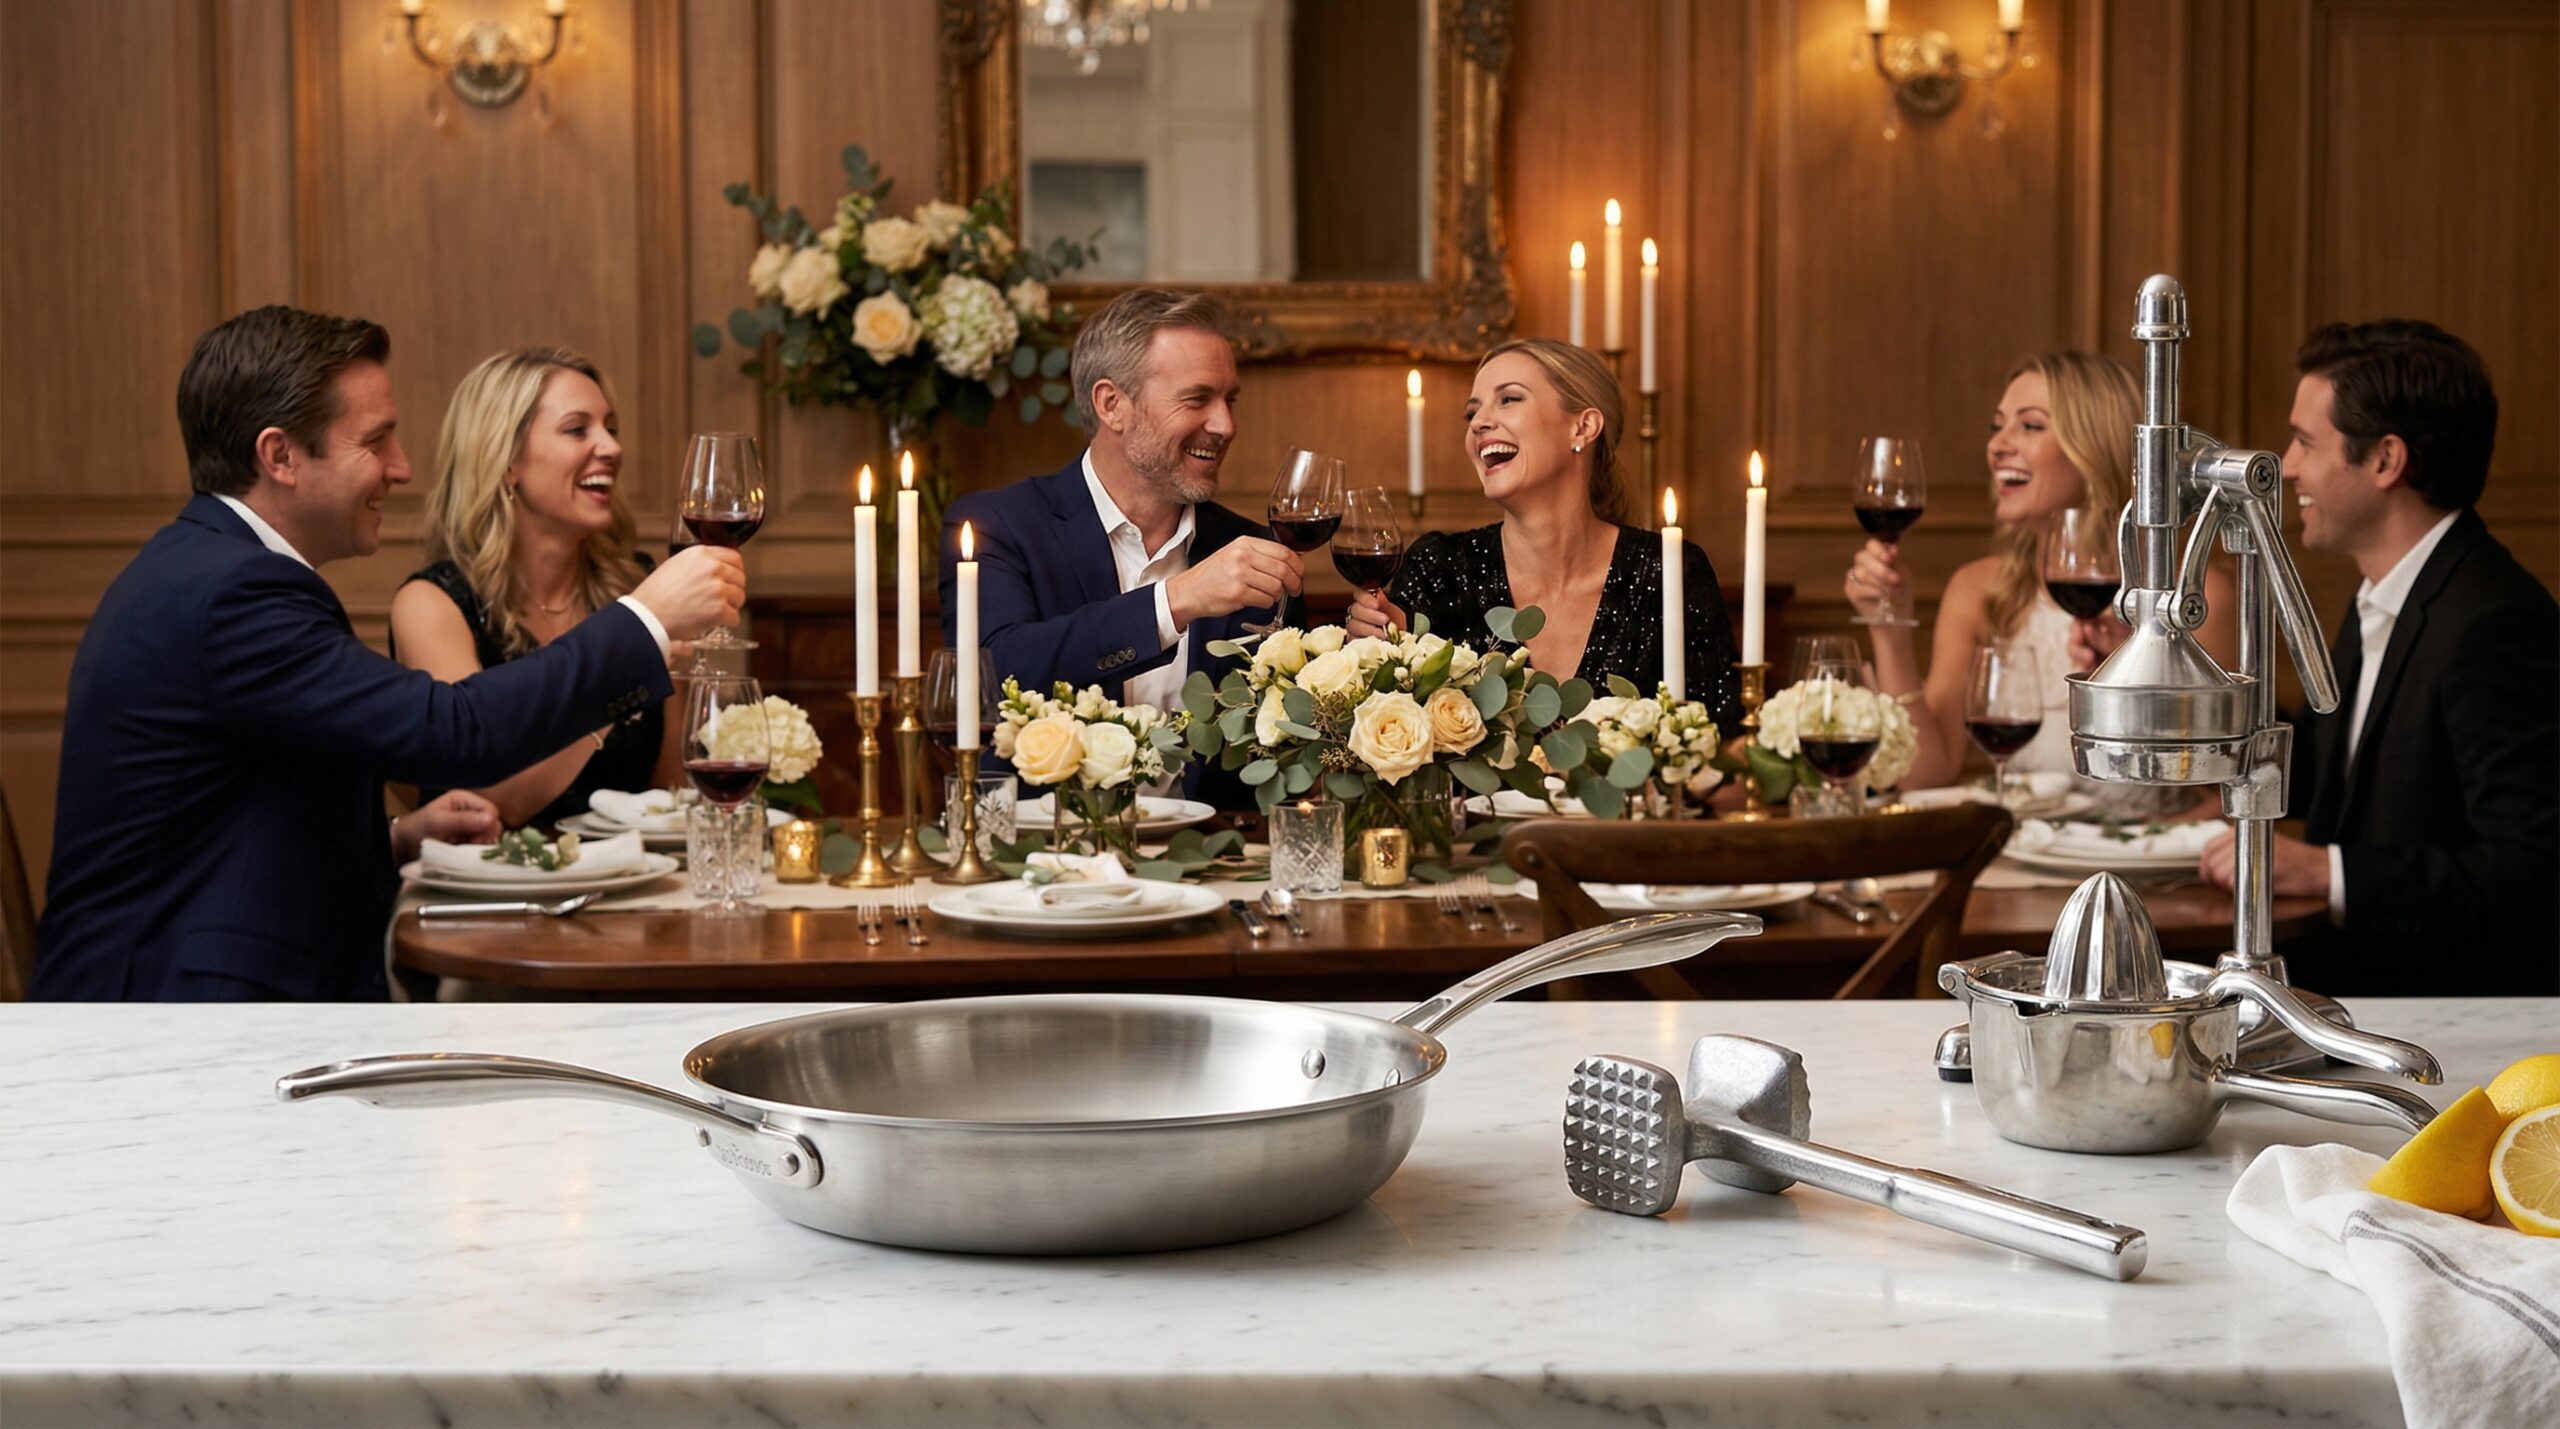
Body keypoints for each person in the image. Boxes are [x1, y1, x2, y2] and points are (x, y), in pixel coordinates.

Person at [34, 306, 743, 1001]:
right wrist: (645, 619)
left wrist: (394, 837)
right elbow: (457, 731)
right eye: (376, 442)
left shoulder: (216, 570)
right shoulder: (234, 592)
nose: (401, 468)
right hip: (173, 1025)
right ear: (279, 455)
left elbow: (237, 813)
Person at [2200, 320, 2557, 996]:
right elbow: (2333, 767)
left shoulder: (2494, 621)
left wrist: (2328, 872)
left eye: (2307, 441)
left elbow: (2534, 870)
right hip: (2365, 994)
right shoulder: (2390, 590)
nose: (2289, 465)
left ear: (2387, 461)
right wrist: (2193, 696)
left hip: (2446, 1021)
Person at [939, 288, 1300, 805]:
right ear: (1112, 405)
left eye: (1229, 400)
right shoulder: (997, 526)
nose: (1226, 425)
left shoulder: (1257, 552)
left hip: (1214, 866)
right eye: (1198, 399)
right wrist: (1176, 601)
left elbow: (1282, 754)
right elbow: (994, 677)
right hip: (1044, 862)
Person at [1843, 352, 2236, 791]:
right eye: (1998, 426)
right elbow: (1925, 775)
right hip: (2023, 855)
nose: (1997, 446)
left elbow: (2219, 791)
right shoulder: (1977, 590)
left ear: (2093, 448)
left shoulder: (2194, 598)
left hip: (2151, 857)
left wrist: (2138, 680)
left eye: (2029, 426)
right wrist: (1889, 626)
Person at [1346, 339, 1742, 727]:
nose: (1479, 423)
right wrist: (1380, 656)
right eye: (1472, 413)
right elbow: (1395, 753)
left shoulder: (1668, 571)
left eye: (1509, 399)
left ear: (1583, 427)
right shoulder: (1440, 568)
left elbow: (1718, 749)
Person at [391, 348, 677, 827]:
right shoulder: (434, 605)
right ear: (506, 463)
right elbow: (481, 807)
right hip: (497, 893)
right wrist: (624, 671)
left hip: (638, 888)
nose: (611, 448)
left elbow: (674, 796)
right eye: (577, 429)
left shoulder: (634, 586)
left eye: (611, 428)